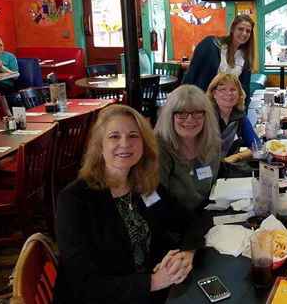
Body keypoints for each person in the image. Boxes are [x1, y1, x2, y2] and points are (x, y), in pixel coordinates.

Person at [55, 105, 204, 304]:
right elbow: (85, 287)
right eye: (114, 136)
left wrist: (187, 254)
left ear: (144, 144)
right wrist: (153, 282)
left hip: (158, 293)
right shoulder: (75, 200)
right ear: (99, 145)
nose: (125, 143)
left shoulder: (144, 185)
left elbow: (190, 221)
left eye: (134, 136)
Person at [155, 85, 222, 212]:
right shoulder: (159, 147)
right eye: (181, 113)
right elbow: (156, 200)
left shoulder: (212, 143)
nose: (190, 119)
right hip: (170, 224)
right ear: (170, 115)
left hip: (204, 214)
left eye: (197, 112)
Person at [181, 15, 257, 108]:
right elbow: (191, 72)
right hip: (203, 103)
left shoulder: (246, 57)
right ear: (232, 29)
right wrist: (182, 101)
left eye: (248, 31)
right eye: (240, 29)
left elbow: (244, 89)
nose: (244, 33)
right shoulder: (210, 43)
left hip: (227, 108)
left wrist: (243, 116)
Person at [206, 72, 260, 163]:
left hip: (229, 168)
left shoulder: (240, 116)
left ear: (239, 93)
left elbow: (257, 146)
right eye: (222, 89)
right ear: (213, 93)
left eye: (233, 89)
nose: (229, 93)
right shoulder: (205, 118)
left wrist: (237, 156)